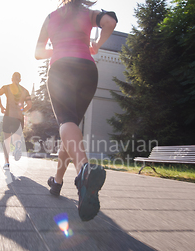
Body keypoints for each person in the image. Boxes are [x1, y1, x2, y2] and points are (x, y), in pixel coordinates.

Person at [35, 0, 117, 221]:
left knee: (67, 123)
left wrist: (58, 48)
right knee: (71, 130)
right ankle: (57, 181)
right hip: (87, 69)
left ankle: (83, 170)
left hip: (62, 68)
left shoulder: (51, 17)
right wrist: (97, 44)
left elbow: (38, 52)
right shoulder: (89, 13)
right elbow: (109, 21)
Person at [0, 72, 32, 170]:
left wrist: (2, 107)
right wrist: (22, 110)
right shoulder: (25, 91)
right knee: (16, 138)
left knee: (6, 140)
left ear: (12, 79)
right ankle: (17, 144)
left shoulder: (7, 87)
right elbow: (29, 105)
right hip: (18, 118)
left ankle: (7, 163)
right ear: (20, 80)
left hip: (8, 116)